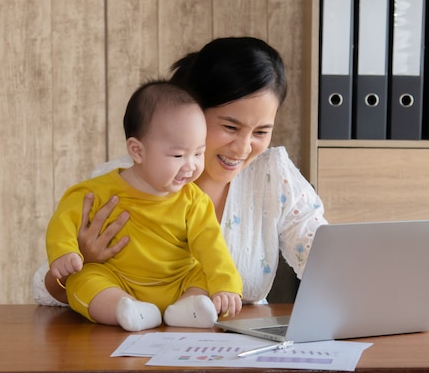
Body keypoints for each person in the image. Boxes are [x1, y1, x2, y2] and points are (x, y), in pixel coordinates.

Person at [34, 36, 327, 308]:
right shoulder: (123, 182)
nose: (243, 148)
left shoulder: (273, 175)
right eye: (230, 127)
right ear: (192, 111)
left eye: (261, 131)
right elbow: (45, 294)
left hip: (240, 352)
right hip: (135, 348)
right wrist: (83, 260)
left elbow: (327, 259)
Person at [45, 80, 242, 332]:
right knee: (83, 280)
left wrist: (226, 285)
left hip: (178, 282)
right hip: (118, 281)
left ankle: (187, 308)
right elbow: (64, 219)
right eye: (179, 155)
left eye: (198, 153)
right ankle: (123, 308)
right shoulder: (96, 192)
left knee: (205, 274)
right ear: (137, 151)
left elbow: (213, 247)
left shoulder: (194, 200)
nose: (191, 165)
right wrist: (64, 252)